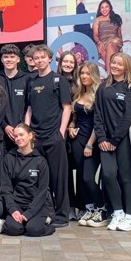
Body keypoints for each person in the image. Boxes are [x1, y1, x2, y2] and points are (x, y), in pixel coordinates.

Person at [24, 44, 72, 227]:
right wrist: (27, 132)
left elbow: (67, 108)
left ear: (50, 59)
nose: (39, 60)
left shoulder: (59, 80)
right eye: (36, 58)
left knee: (58, 178)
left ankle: (62, 216)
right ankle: (45, 211)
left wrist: (61, 133)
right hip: (36, 138)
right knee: (39, 178)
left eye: (42, 57)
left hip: (54, 137)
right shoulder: (31, 81)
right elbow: (29, 109)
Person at [94, 52, 131, 232]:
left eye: (119, 64)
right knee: (108, 175)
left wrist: (115, 139)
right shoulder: (103, 87)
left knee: (126, 177)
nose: (115, 66)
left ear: (126, 67)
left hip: (124, 140)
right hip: (105, 142)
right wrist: (101, 138)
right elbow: (98, 114)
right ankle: (118, 212)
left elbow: (128, 116)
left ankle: (130, 218)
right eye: (113, 63)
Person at [0, 124, 55, 237]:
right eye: (16, 136)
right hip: (17, 204)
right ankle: (24, 224)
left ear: (30, 136)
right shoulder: (9, 159)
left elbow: (42, 191)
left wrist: (29, 213)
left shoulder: (40, 161)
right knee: (12, 229)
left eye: (21, 135)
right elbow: (6, 188)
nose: (18, 138)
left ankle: (46, 222)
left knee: (33, 229)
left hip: (37, 205)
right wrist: (13, 210)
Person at [69, 62, 107, 227]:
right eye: (82, 73)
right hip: (77, 140)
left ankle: (102, 209)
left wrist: (90, 144)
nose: (84, 76)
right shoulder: (79, 92)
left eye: (88, 73)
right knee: (82, 178)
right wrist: (71, 127)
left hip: (93, 141)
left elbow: (99, 122)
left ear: (95, 75)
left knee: (88, 177)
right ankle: (89, 208)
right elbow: (75, 116)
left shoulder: (99, 93)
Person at [58, 51, 81, 218]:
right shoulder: (54, 80)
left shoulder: (78, 83)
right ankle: (69, 206)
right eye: (65, 61)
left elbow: (77, 108)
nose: (68, 64)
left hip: (75, 130)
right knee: (64, 173)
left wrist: (72, 125)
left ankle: (81, 205)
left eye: (71, 62)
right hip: (59, 131)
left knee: (80, 171)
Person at [0, 44, 32, 154]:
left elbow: (29, 106)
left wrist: (22, 127)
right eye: (6, 57)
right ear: (1, 59)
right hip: (1, 132)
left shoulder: (27, 79)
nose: (9, 60)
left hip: (22, 132)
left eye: (12, 57)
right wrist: (5, 126)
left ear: (18, 59)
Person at [93, 0, 124, 74]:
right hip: (102, 42)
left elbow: (119, 33)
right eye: (102, 7)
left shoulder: (116, 18)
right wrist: (99, 43)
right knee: (103, 51)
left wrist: (120, 45)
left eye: (106, 7)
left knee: (110, 45)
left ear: (110, 8)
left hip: (114, 41)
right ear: (99, 10)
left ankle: (109, 76)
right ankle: (111, 74)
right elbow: (95, 35)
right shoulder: (97, 20)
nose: (104, 9)